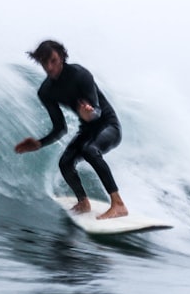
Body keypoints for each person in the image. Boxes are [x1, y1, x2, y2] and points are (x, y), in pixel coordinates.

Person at [14, 40, 128, 219]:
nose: (49, 67)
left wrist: (89, 114)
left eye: (53, 60)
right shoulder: (46, 92)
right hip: (87, 131)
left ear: (61, 58)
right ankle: (83, 202)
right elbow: (60, 128)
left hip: (108, 125)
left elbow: (97, 111)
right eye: (44, 63)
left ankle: (118, 204)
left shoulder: (80, 75)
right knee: (65, 163)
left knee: (89, 150)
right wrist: (39, 143)